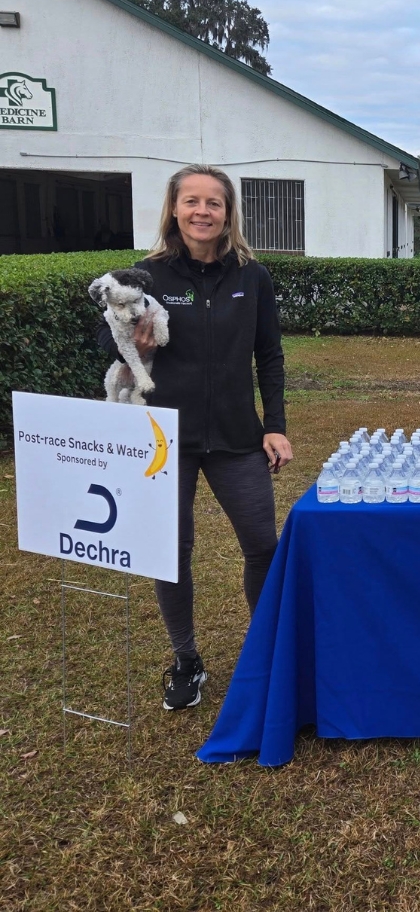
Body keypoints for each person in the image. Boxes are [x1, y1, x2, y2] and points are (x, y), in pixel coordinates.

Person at [96, 164, 293, 710]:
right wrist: (136, 345)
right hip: (164, 436)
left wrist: (274, 425)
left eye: (213, 202)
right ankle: (186, 661)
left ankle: (266, 651)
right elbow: (107, 340)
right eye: (192, 201)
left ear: (228, 213)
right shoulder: (146, 276)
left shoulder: (253, 277)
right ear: (175, 209)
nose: (202, 211)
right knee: (170, 553)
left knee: (263, 546)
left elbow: (269, 355)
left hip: (236, 435)